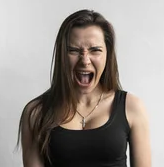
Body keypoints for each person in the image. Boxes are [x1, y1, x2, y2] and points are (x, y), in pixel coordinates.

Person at [18, 10, 151, 167]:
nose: (85, 60)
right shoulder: (36, 112)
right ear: (62, 55)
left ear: (107, 55)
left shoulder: (132, 107)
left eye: (95, 50)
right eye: (73, 50)